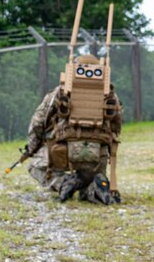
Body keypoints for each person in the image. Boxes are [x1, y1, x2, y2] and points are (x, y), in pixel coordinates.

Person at [24, 54, 123, 204]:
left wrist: (32, 147)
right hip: (97, 155)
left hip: (64, 151)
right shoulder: (109, 95)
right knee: (87, 187)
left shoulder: (60, 92)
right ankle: (94, 186)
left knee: (35, 167)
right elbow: (116, 126)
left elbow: (38, 122)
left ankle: (64, 182)